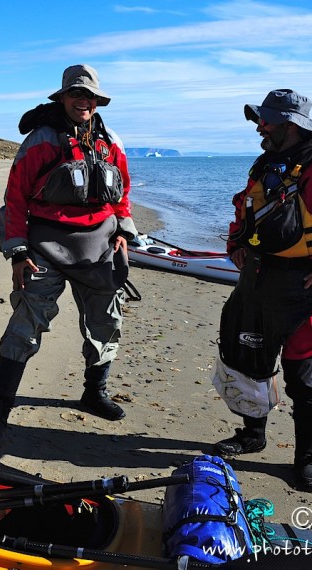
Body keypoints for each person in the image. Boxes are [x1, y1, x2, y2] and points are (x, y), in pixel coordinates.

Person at [0, 64, 137, 448]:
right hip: (44, 249)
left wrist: (124, 233)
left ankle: (93, 393)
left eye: (90, 97)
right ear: (63, 98)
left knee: (105, 323)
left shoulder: (110, 141)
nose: (83, 101)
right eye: (76, 95)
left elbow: (123, 194)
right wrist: (16, 252)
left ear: (97, 102)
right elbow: (14, 200)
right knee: (25, 327)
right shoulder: (41, 141)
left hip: (100, 248)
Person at [213, 89, 312, 490]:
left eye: (266, 120)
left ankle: (306, 455)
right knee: (249, 359)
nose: (259, 126)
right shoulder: (266, 161)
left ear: (290, 125)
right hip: (257, 276)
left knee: (303, 375)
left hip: (301, 285)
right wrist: (235, 245)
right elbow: (246, 209)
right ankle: (253, 434)